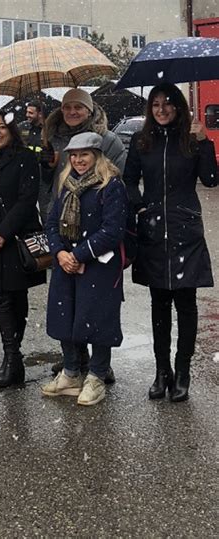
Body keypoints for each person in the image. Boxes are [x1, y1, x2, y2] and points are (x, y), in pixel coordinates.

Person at [123, 82, 217, 402]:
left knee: (186, 304)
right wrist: (140, 206)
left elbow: (211, 179)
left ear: (178, 106)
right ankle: (162, 371)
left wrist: (205, 143)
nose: (161, 109)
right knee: (159, 304)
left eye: (167, 103)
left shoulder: (190, 139)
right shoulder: (141, 142)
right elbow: (128, 180)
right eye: (155, 104)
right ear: (150, 109)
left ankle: (183, 371)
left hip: (185, 231)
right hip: (153, 230)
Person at [44, 88, 127, 379]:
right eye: (67, 107)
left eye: (79, 106)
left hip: (96, 238)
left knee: (96, 306)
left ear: (90, 110)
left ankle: (99, 367)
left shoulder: (109, 141)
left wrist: (82, 251)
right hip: (64, 231)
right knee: (68, 303)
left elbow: (117, 181)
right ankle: (73, 363)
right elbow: (50, 188)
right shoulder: (52, 139)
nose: (72, 112)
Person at [0, 110, 46, 388]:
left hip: (16, 237)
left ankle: (13, 355)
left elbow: (27, 200)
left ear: (11, 130)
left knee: (17, 295)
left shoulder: (26, 158)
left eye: (2, 127)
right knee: (0, 297)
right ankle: (11, 357)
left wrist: (3, 232)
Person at [18, 100, 54, 223]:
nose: (27, 115)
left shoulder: (49, 129)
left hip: (44, 176)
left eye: (30, 113)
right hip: (25, 174)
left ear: (40, 114)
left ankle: (48, 234)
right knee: (25, 208)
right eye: (26, 112)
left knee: (46, 209)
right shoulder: (22, 127)